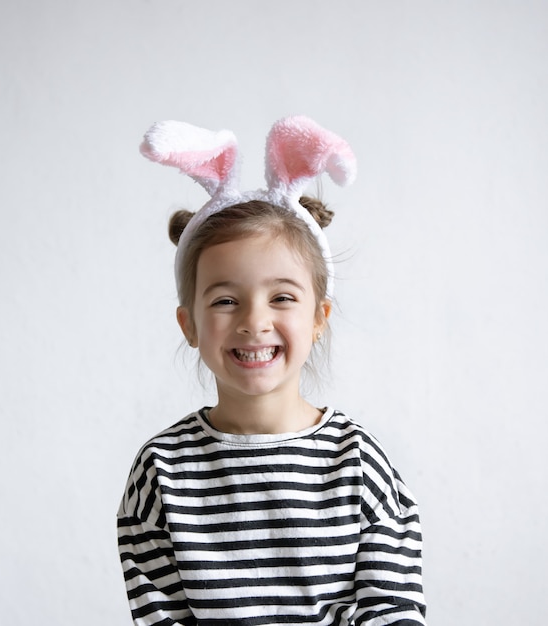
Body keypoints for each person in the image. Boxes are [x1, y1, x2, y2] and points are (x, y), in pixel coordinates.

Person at [117, 116, 427, 625]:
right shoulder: (161, 474)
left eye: (281, 296)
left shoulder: (360, 466)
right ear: (188, 324)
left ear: (318, 318)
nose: (254, 321)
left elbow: (392, 612)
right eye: (225, 300)